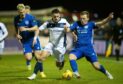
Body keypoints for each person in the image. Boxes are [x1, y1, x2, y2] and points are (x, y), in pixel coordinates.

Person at [64, 11, 114, 79]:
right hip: (79, 49)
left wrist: (109, 18)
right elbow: (68, 30)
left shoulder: (91, 24)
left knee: (96, 66)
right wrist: (66, 28)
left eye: (84, 18)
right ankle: (76, 72)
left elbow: (102, 23)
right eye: (81, 18)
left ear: (88, 18)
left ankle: (106, 73)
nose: (82, 20)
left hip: (89, 49)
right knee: (71, 57)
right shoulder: (76, 24)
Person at [27, 8, 70, 80]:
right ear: (51, 16)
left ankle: (61, 61)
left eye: (57, 16)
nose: (56, 18)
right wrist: (34, 38)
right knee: (40, 58)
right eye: (54, 16)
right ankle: (34, 75)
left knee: (58, 64)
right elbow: (38, 29)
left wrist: (68, 30)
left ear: (60, 16)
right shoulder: (48, 23)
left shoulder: (64, 21)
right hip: (51, 44)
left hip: (60, 47)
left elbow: (70, 28)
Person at [14, 4, 46, 78]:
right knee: (28, 58)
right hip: (25, 41)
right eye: (20, 12)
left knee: (38, 58)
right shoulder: (16, 18)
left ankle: (41, 72)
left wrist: (26, 29)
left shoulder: (31, 17)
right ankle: (33, 55)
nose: (22, 13)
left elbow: (36, 28)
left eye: (23, 11)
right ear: (18, 11)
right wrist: (17, 35)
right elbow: (17, 28)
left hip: (33, 39)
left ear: (24, 10)